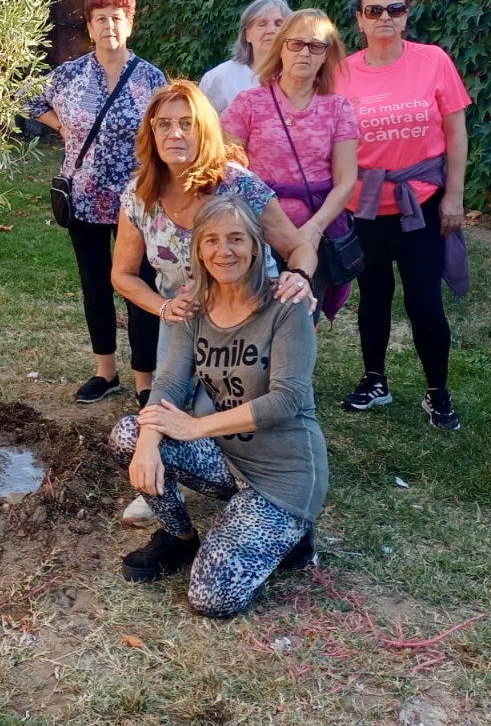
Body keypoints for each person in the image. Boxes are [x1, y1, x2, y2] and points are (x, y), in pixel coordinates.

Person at [107, 195, 328, 617]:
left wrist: (194, 427)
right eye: (210, 240)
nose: (223, 251)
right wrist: (151, 440)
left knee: (213, 597)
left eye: (235, 239)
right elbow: (170, 381)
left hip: (284, 477)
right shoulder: (196, 308)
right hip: (227, 460)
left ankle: (294, 534)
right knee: (131, 434)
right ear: (198, 251)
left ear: (256, 245)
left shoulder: (286, 305)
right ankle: (179, 538)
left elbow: (288, 399)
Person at [333, 0, 470, 431]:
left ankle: (437, 391)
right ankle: (375, 380)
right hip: (364, 205)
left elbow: (456, 132)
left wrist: (454, 195)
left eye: (395, 9)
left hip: (423, 202)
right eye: (375, 11)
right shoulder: (341, 71)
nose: (386, 18)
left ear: (407, 14)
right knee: (372, 296)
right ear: (359, 20)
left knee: (425, 300)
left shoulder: (433, 61)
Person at [28, 0, 166, 405]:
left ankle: (145, 379)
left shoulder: (150, 78)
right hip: (84, 197)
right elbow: (27, 100)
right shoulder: (68, 76)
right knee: (95, 285)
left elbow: (164, 129)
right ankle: (105, 372)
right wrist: (62, 126)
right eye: (101, 18)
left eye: (117, 18)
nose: (109, 25)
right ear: (90, 27)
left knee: (142, 285)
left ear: (130, 25)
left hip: (137, 201)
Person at [222, 8, 360, 320]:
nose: (305, 53)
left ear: (327, 54)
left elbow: (346, 180)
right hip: (254, 229)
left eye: (316, 46)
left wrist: (314, 228)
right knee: (252, 317)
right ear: (281, 47)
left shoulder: (338, 109)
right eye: (296, 44)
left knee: (299, 316)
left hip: (314, 230)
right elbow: (226, 167)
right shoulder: (248, 103)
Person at [199, 0, 292, 114]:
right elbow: (202, 126)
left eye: (278, 24)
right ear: (247, 35)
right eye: (262, 24)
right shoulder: (220, 78)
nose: (271, 30)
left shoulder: (298, 77)